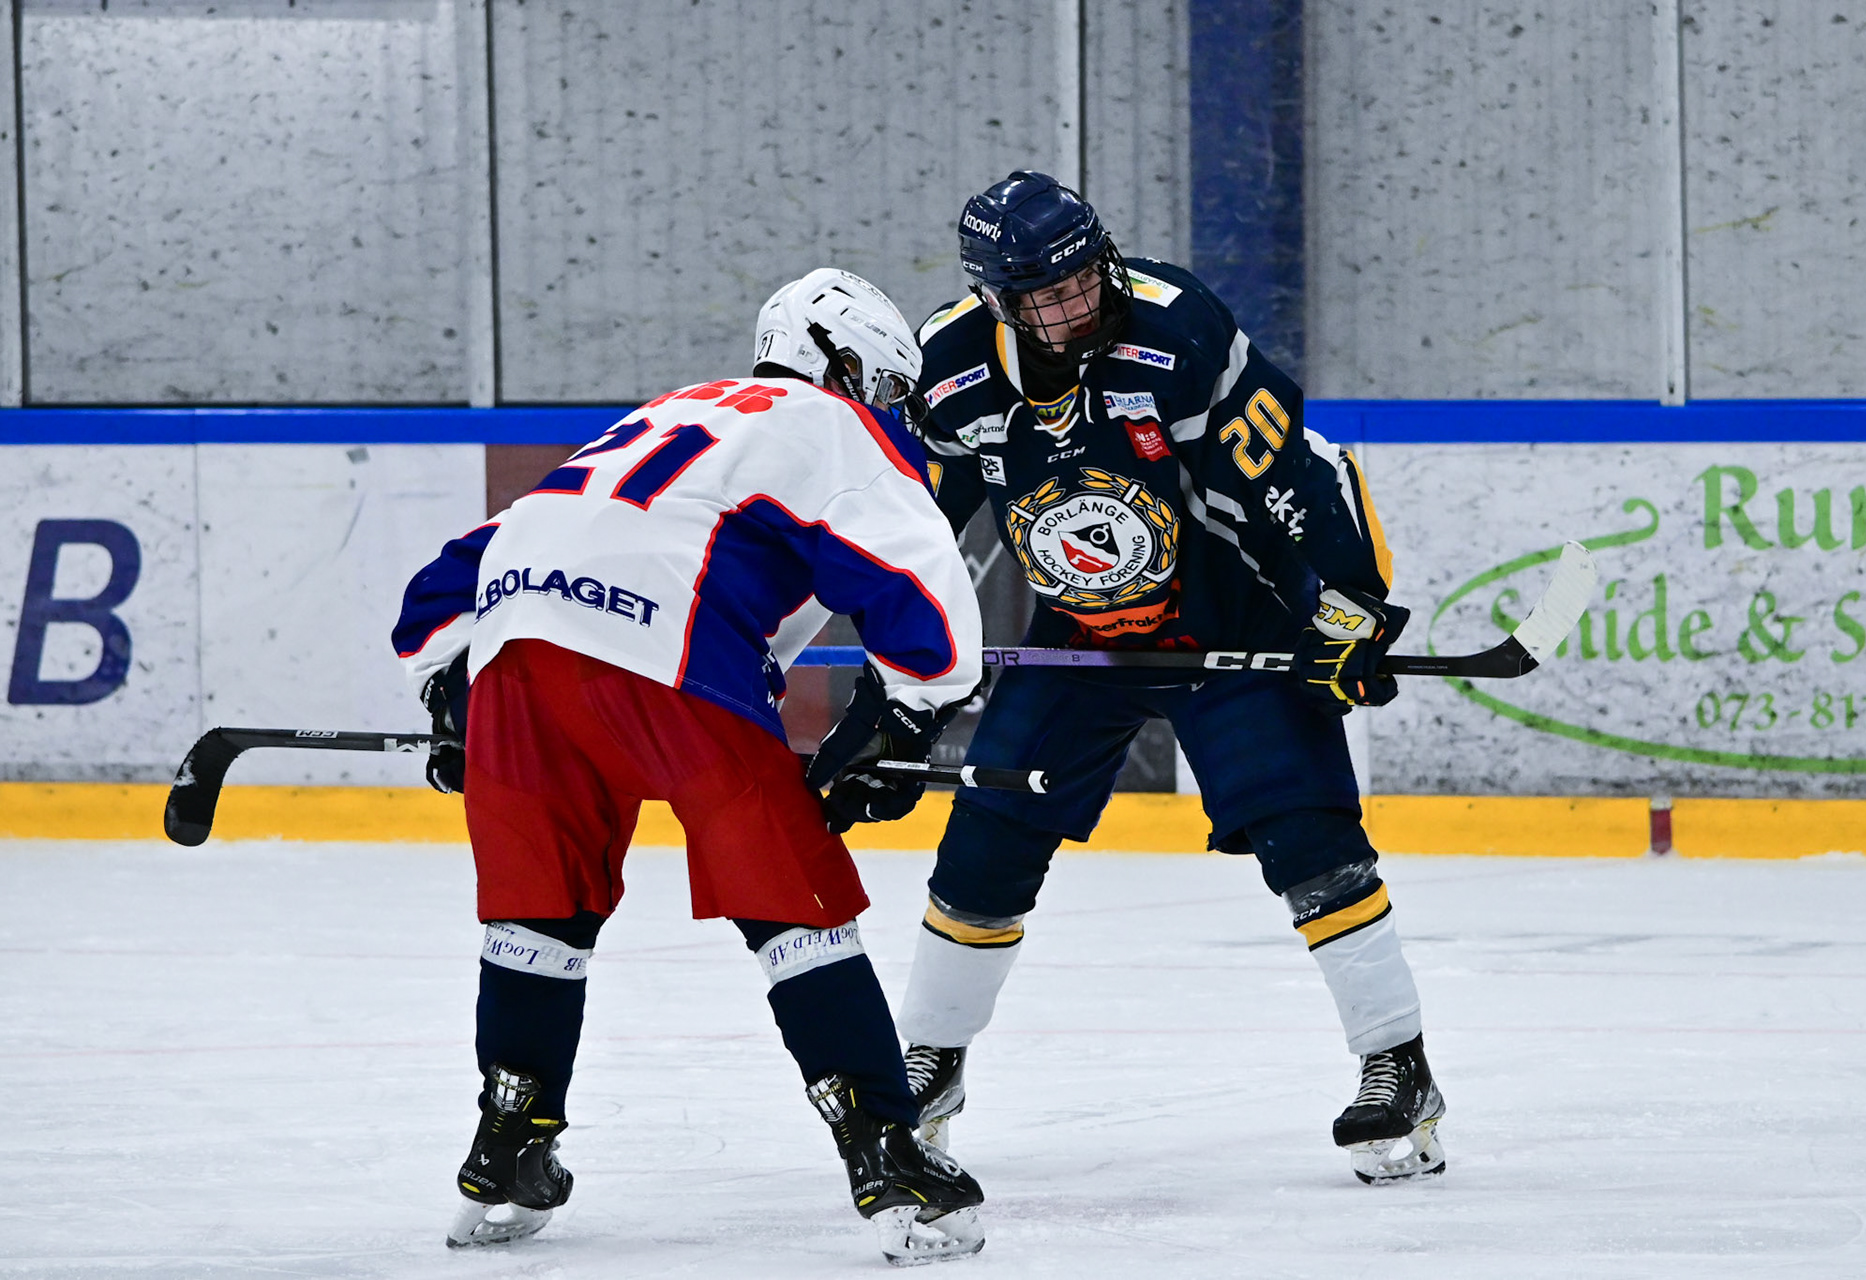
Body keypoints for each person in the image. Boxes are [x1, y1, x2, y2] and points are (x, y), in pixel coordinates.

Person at [390, 269, 990, 1264]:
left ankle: (508, 1145)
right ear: (839, 365)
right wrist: (911, 708)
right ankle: (889, 1153)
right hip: (668, 647)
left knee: (538, 906)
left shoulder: (665, 415)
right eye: (883, 386)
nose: (889, 409)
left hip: (514, 649)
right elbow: (908, 568)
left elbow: (450, 577)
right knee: (790, 896)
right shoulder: (826, 421)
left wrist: (448, 683)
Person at [894, 172, 1446, 1185]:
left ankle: (1397, 1066)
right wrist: (897, 656)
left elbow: (1292, 478)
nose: (1074, 303)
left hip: (1227, 616)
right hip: (1081, 635)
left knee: (1310, 840)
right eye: (1044, 294)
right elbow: (919, 527)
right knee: (985, 841)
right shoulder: (949, 365)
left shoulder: (1176, 328)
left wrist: (1346, 607)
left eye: (1081, 278)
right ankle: (929, 1062)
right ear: (994, 298)